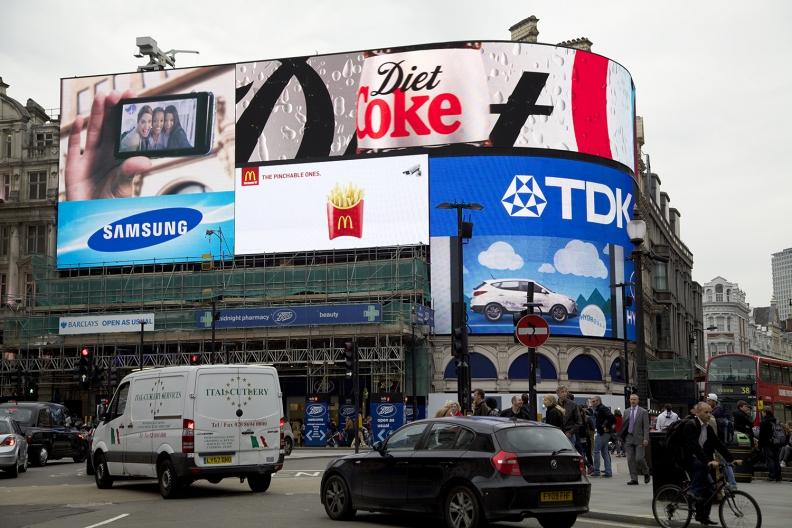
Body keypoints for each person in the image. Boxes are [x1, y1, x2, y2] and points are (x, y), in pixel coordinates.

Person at [65, 90, 153, 201]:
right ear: (137, 122)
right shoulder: (129, 139)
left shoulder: (148, 141)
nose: (147, 126)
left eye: (150, 122)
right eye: (143, 122)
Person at [681, 402, 740, 526]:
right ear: (697, 413)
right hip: (688, 459)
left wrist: (731, 459)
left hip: (700, 460)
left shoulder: (708, 428)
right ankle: (692, 491)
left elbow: (718, 444)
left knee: (710, 490)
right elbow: (694, 447)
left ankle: (702, 517)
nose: (709, 415)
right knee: (702, 467)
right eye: (706, 412)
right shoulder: (690, 425)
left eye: (710, 412)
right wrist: (708, 461)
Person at [620, 393, 651, 485]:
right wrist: (622, 437)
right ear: (629, 400)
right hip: (628, 438)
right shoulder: (626, 411)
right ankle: (634, 479)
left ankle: (646, 472)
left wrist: (646, 438)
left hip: (639, 439)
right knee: (630, 459)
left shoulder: (643, 412)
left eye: (634, 399)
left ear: (638, 401)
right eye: (631, 399)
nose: (633, 401)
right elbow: (623, 426)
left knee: (639, 458)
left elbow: (646, 427)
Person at [591, 396, 615, 477]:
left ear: (598, 401)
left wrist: (604, 426)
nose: (592, 403)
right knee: (604, 452)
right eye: (592, 401)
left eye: (594, 401)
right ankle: (608, 471)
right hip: (604, 433)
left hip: (603, 433)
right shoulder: (600, 409)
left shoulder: (602, 408)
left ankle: (597, 471)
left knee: (596, 451)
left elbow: (612, 418)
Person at [758, 408, 782, 481]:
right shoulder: (776, 421)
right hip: (777, 443)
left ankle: (772, 476)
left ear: (765, 412)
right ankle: (778, 476)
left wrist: (760, 445)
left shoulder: (764, 422)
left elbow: (761, 435)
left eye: (763, 412)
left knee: (770, 459)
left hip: (768, 443)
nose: (762, 414)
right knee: (776, 459)